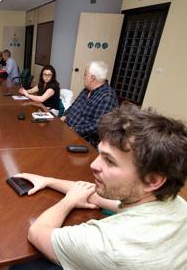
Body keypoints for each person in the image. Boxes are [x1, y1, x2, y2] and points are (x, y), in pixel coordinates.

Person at [14, 103, 187, 269]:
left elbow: (36, 232)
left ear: (153, 180)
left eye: (109, 160)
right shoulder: (172, 202)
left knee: (22, 264)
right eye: (100, 154)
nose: (94, 165)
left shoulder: (108, 245)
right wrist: (48, 181)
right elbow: (92, 194)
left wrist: (69, 201)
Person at [61, 61, 118, 147]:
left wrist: (73, 129)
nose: (83, 77)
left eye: (85, 75)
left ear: (92, 78)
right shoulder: (86, 90)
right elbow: (73, 106)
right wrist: (64, 117)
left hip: (84, 141)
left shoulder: (107, 96)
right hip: (67, 131)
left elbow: (98, 126)